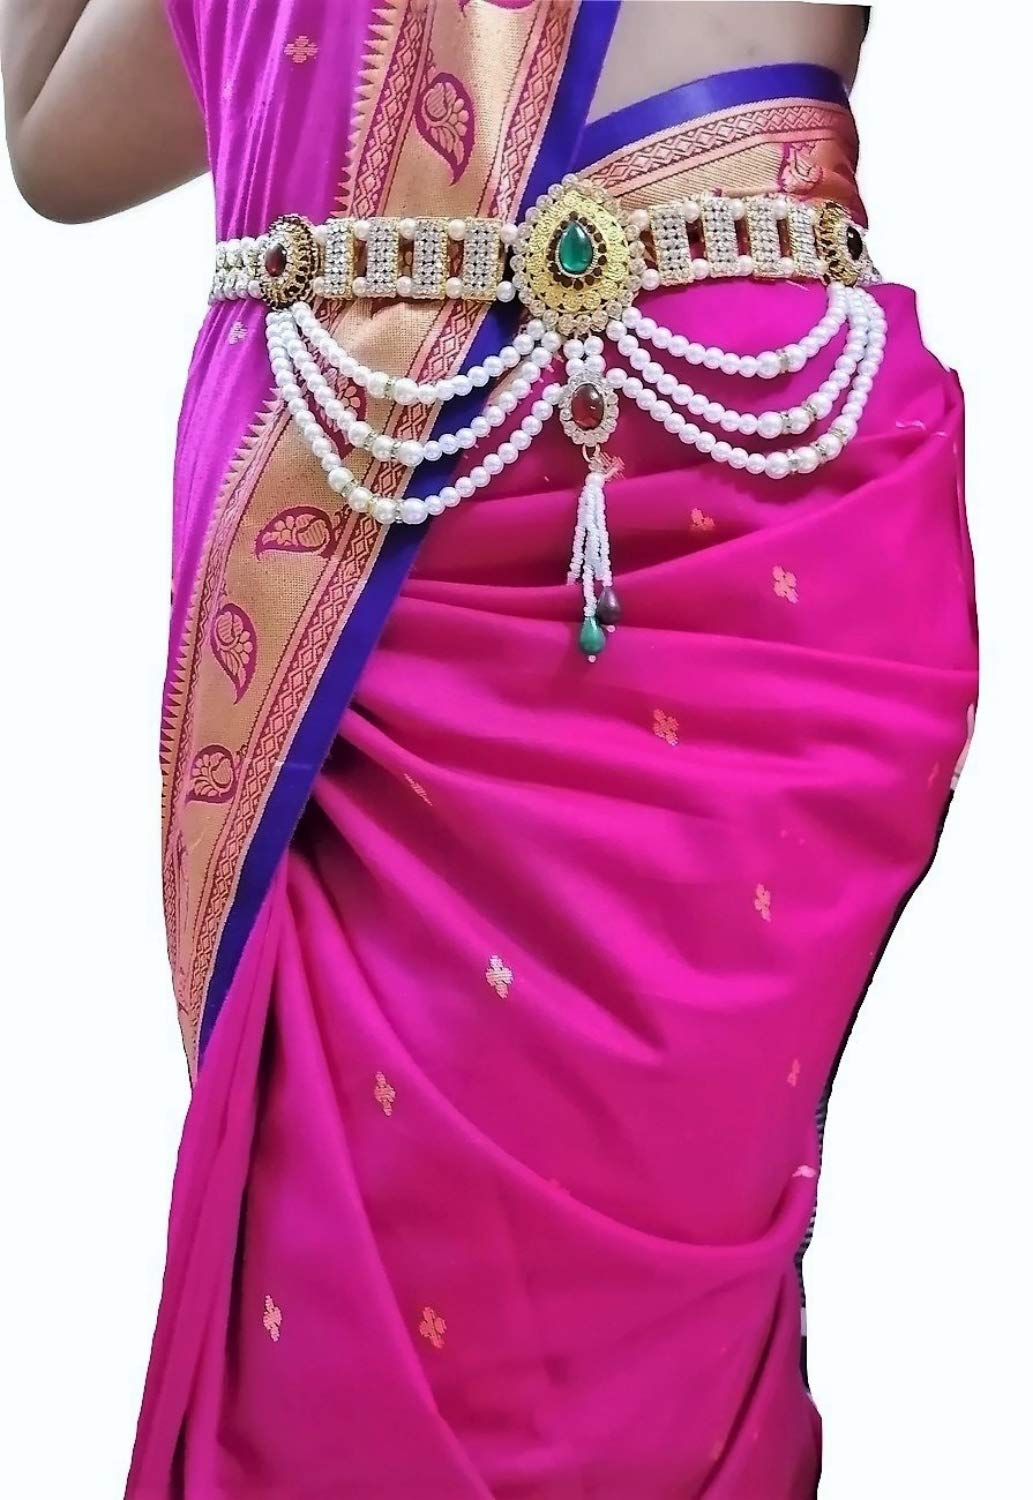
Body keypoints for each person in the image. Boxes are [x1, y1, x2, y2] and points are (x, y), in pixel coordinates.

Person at [1, 3, 976, 1497]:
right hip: (381, 581)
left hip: (721, 562)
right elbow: (57, 143)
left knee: (635, 1344)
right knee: (352, 1290)